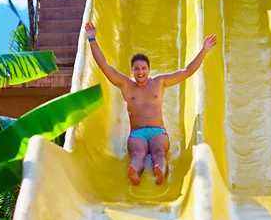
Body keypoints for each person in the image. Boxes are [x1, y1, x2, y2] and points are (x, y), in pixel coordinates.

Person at [84, 22, 217, 185]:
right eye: (137, 69)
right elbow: (104, 65)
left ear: (149, 69)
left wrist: (204, 50)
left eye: (143, 68)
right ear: (132, 71)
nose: (140, 72)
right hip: (137, 133)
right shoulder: (126, 85)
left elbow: (186, 72)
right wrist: (92, 39)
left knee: (159, 152)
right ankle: (134, 171)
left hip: (158, 131)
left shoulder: (159, 82)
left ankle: (159, 170)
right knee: (138, 153)